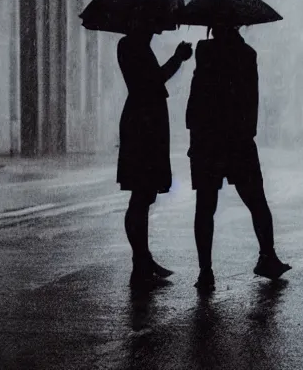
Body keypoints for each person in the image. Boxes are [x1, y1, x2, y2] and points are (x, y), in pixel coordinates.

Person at [186, 24, 291, 291]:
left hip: (207, 139)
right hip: (237, 140)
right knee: (256, 201)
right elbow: (250, 98)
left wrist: (196, 128)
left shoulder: (204, 50)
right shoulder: (247, 54)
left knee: (205, 206)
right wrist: (248, 132)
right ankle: (267, 255)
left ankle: (205, 271)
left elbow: (198, 94)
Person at [117, 18, 193, 288]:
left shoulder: (134, 46)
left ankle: (143, 260)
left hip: (146, 126)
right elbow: (153, 81)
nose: (156, 27)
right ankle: (141, 262)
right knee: (140, 197)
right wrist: (178, 59)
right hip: (143, 128)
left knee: (143, 197)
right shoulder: (131, 46)